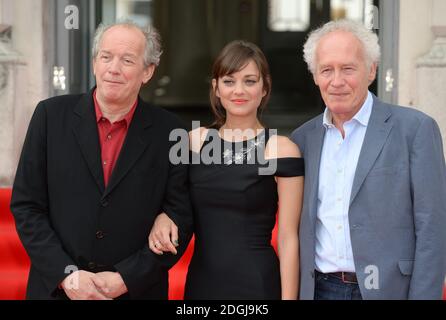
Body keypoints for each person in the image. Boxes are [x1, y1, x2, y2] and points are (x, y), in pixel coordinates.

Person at [10, 21, 193, 300]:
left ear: (148, 71)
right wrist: (67, 274)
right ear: (94, 62)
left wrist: (126, 278)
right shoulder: (50, 116)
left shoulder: (172, 132)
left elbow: (180, 216)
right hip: (58, 291)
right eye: (106, 57)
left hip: (135, 292)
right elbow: (26, 205)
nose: (113, 68)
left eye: (127, 60)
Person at [291, 19, 446, 300]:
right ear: (315, 76)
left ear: (371, 70)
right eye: (326, 70)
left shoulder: (415, 129)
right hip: (319, 290)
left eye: (348, 68)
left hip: (389, 291)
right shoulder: (302, 139)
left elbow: (433, 228)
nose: (336, 81)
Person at [148, 40, 304, 299]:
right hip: (201, 284)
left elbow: (288, 237)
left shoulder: (279, 148)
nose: (239, 91)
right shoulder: (194, 141)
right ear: (216, 88)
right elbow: (170, 200)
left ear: (265, 87)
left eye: (250, 81)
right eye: (229, 81)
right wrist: (162, 216)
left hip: (257, 285)